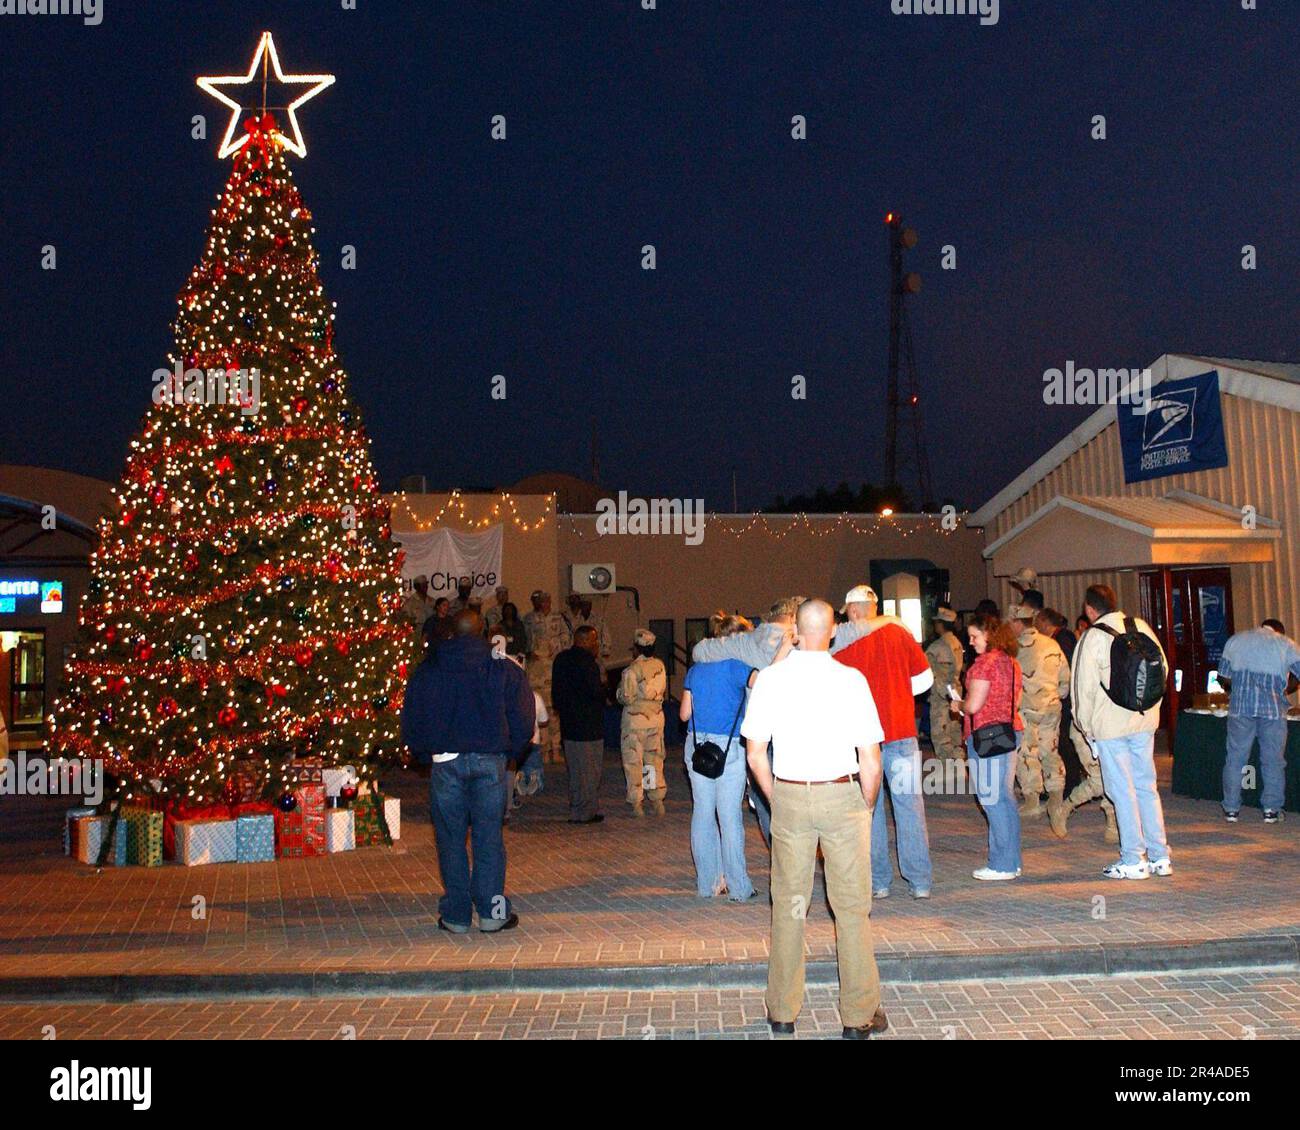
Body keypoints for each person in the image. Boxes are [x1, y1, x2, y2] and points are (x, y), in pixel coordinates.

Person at [742, 599, 888, 1039]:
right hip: (842, 794)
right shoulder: (851, 680)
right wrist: (865, 803)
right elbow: (872, 761)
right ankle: (858, 1017)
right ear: (832, 632)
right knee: (851, 909)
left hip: (790, 794)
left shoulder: (770, 680)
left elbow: (754, 753)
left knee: (788, 905)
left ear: (796, 633)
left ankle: (783, 1012)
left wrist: (776, 797)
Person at [400, 608, 534, 934]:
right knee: (489, 839)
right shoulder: (502, 668)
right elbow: (523, 715)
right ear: (484, 631)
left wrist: (422, 754)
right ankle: (492, 913)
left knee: (450, 840)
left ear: (450, 633)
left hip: (446, 763)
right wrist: (511, 752)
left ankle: (456, 916)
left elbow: (412, 716)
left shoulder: (429, 669)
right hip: (490, 761)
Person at [833, 584, 935, 900]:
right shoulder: (898, 631)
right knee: (910, 809)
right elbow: (924, 680)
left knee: (869, 810)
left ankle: (879, 881)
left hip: (862, 741)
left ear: (851, 610)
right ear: (873, 607)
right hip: (901, 731)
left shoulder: (840, 641)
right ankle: (920, 882)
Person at [1071, 584, 1171, 879]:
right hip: (1144, 721)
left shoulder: (1092, 637)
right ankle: (1160, 855)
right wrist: (1151, 712)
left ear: (1090, 610)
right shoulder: (1141, 627)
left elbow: (1082, 688)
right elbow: (1161, 670)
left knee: (1121, 791)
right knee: (1146, 786)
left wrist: (1085, 728)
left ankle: (1132, 859)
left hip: (1109, 726)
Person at [692, 596, 803, 844]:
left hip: (759, 733)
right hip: (795, 733)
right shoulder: (806, 640)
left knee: (766, 797)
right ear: (794, 617)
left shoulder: (745, 640)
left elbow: (699, 651)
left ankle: (779, 850)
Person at [680, 613, 756, 900]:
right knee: (729, 817)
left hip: (697, 746)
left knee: (702, 812)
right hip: (729, 748)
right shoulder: (739, 667)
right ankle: (739, 887)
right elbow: (761, 687)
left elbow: (685, 713)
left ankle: (707, 884)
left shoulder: (696, 670)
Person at [950, 613, 1023, 881]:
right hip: (1010, 731)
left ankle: (1001, 865)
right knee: (1005, 798)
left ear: (989, 635)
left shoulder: (984, 665)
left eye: (974, 636)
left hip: (986, 736)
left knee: (992, 800)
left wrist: (957, 704)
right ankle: (1011, 861)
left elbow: (973, 705)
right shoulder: (1011, 662)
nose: (970, 642)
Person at [1043, 609, 1119, 844]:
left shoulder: (1109, 652)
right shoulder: (1083, 652)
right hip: (1085, 726)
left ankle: (1112, 822)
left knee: (1111, 778)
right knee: (1100, 780)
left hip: (1107, 725)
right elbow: (1077, 692)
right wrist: (1084, 729)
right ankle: (1064, 809)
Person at [1219, 619, 1300, 824]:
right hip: (1272, 711)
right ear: (1279, 631)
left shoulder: (1236, 641)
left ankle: (1231, 808)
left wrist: (1235, 692)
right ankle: (1271, 810)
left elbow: (1223, 677)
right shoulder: (1285, 644)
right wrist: (1285, 690)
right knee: (1273, 760)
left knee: (1235, 758)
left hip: (1240, 709)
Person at [1010, 603, 1071, 836]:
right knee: (1050, 750)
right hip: (1052, 708)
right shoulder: (1052, 643)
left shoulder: (1013, 648)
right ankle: (1056, 798)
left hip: (1026, 710)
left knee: (1026, 752)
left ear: (1017, 623)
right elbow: (1065, 680)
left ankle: (1032, 800)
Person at [551, 625, 608, 824]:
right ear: (584, 641)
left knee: (575, 771)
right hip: (588, 726)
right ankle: (586, 812)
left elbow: (556, 694)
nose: (596, 645)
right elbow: (595, 693)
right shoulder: (588, 663)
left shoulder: (560, 660)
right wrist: (604, 690)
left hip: (569, 725)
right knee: (590, 772)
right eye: (594, 640)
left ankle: (577, 808)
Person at [617, 628, 668, 817]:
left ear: (636, 649)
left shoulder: (631, 670)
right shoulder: (660, 666)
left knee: (633, 762)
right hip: (656, 719)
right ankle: (656, 800)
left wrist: (618, 693)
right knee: (652, 760)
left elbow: (627, 697)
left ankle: (637, 802)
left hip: (635, 722)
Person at [524, 590, 572, 765]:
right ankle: (543, 749)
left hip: (553, 667)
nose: (543, 604)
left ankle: (556, 748)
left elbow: (567, 637)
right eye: (539, 601)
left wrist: (556, 648)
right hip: (536, 671)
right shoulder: (528, 618)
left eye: (546, 601)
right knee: (539, 709)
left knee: (554, 711)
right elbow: (525, 641)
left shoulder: (558, 618)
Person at [925, 604, 965, 761]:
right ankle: (959, 765)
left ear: (940, 624)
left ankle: (947, 770)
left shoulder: (936, 647)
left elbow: (924, 669)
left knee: (940, 735)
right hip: (955, 693)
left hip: (940, 695)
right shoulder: (957, 643)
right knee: (954, 732)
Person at [567, 593, 612, 669]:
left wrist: (606, 650)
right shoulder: (575, 620)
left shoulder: (598, 620)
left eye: (588, 605)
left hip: (596, 655)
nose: (586, 607)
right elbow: (572, 637)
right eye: (584, 605)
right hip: (580, 657)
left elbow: (606, 635)